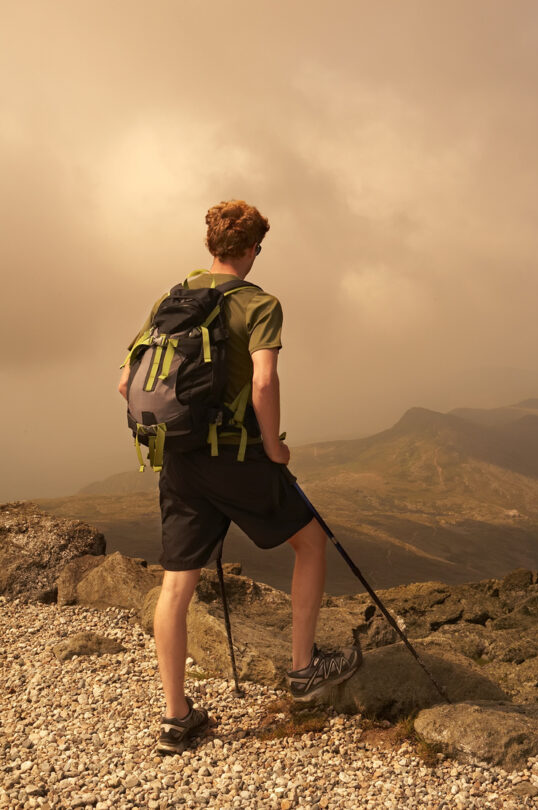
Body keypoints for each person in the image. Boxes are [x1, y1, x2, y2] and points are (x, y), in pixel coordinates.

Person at [118, 200, 360, 755]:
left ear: (211, 245)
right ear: (252, 248)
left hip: (177, 459)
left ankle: (176, 718)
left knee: (177, 581)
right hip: (236, 456)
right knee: (311, 542)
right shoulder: (260, 303)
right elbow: (264, 383)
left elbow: (125, 381)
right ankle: (303, 669)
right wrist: (274, 448)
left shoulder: (170, 299)